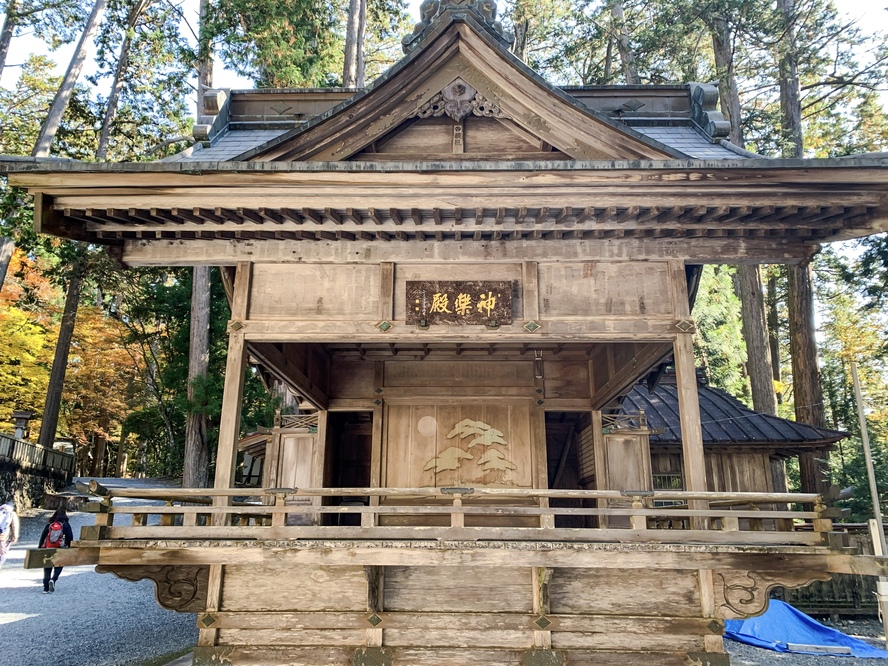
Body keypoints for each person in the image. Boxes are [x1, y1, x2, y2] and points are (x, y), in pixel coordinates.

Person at [39, 508, 73, 593]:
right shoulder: (65, 525)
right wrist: (69, 547)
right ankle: (53, 579)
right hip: (60, 548)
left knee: (47, 566)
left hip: (48, 548)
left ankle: (45, 588)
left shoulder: (50, 524)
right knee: (59, 564)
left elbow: (43, 536)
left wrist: (40, 547)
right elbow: (70, 538)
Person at [0, 499, 19, 569]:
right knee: (4, 553)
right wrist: (15, 536)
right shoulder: (11, 513)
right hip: (3, 536)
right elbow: (15, 525)